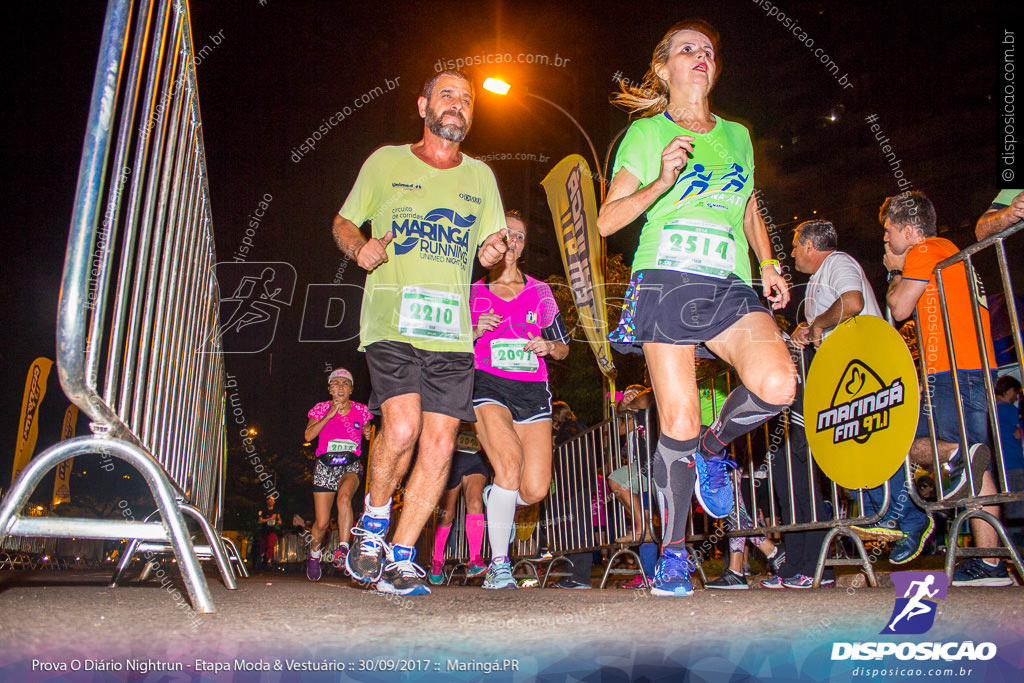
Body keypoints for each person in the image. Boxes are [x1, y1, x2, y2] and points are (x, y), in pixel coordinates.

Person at [598, 19, 796, 597]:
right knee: (677, 419)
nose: (701, 56)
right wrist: (661, 181)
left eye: (708, 49)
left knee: (779, 384)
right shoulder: (644, 133)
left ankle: (714, 449)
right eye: (687, 49)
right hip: (666, 279)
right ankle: (677, 552)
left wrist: (767, 262)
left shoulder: (737, 134)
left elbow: (749, 204)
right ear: (663, 68)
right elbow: (609, 219)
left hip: (728, 281)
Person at [331, 69, 509, 596]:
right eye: (446, 95)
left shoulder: (481, 177)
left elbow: (487, 250)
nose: (457, 105)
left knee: (440, 442)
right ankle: (373, 521)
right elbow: (344, 222)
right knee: (403, 426)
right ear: (423, 105)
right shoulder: (386, 161)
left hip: (451, 334)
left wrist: (494, 255)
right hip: (392, 322)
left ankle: (403, 556)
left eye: (467, 100)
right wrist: (357, 247)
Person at [881, 191, 1009, 584]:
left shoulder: (925, 249)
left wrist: (894, 272)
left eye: (888, 235)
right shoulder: (945, 250)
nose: (885, 243)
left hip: (954, 369)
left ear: (907, 230)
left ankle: (920, 513)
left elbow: (899, 308)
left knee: (902, 441)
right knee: (978, 466)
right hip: (969, 368)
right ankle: (990, 563)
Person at [763, 219, 883, 588]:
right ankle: (801, 564)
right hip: (835, 384)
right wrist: (806, 330)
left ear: (812, 245)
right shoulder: (817, 282)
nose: (794, 252)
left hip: (864, 377)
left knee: (855, 468)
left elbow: (853, 302)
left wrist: (816, 326)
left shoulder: (838, 262)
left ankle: (898, 509)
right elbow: (824, 322)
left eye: (797, 245)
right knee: (795, 470)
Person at [471, 211, 570, 589]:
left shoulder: (540, 292)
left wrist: (548, 346)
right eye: (506, 233)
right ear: (492, 238)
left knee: (533, 490)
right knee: (509, 465)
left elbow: (563, 349)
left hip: (532, 392)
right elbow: (448, 348)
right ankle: (499, 566)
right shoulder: (473, 292)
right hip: (488, 385)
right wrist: (474, 331)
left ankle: (499, 496)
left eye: (521, 236)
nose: (512, 240)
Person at [303, 367, 373, 582]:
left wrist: (368, 432)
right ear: (329, 389)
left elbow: (369, 432)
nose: (340, 387)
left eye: (345, 384)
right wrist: (329, 415)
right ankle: (315, 556)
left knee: (345, 497)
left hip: (350, 465)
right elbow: (308, 435)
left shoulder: (361, 410)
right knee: (322, 523)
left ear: (351, 389)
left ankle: (343, 548)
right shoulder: (320, 408)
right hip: (325, 465)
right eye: (336, 384)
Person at [428, 424, 489, 585]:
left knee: (475, 503)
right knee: (446, 514)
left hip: (476, 457)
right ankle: (437, 561)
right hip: (451, 459)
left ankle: (475, 559)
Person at [994, 375, 1024, 547]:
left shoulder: (989, 409)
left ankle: (1004, 548)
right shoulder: (1009, 410)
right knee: (1017, 509)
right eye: (1017, 393)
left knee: (1002, 509)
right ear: (1011, 390)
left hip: (997, 467)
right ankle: (1017, 552)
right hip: (1014, 465)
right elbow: (1019, 432)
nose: (1016, 398)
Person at [256, 496, 281, 571]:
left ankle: (269, 560)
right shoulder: (263, 510)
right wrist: (269, 519)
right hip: (264, 530)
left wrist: (277, 521)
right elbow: (260, 520)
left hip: (272, 530)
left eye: (272, 500)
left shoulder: (276, 511)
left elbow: (279, 520)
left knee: (271, 544)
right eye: (269, 500)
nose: (271, 501)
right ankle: (261, 557)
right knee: (263, 545)